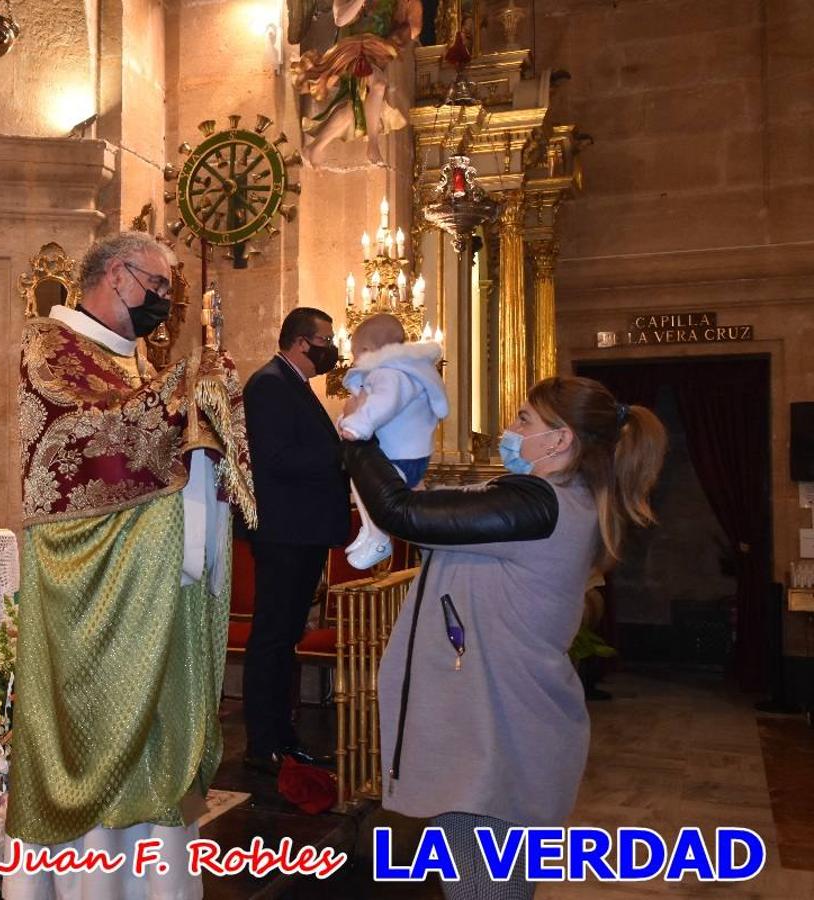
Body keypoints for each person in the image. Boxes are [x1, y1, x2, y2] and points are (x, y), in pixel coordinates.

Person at [343, 375, 666, 898]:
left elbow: (403, 513)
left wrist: (357, 437)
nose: (509, 429)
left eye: (524, 420)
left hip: (491, 735)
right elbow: (435, 506)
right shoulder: (558, 498)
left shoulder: (540, 504)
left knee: (484, 887)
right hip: (500, 726)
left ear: (560, 439)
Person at [8, 232, 255, 899]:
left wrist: (209, 406)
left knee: (157, 729)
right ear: (117, 276)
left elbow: (176, 446)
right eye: (158, 288)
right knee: (96, 728)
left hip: (156, 584)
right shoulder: (51, 345)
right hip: (94, 585)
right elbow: (83, 441)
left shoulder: (139, 365)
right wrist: (185, 400)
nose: (164, 304)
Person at [240, 307, 351, 773]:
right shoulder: (269, 384)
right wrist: (341, 455)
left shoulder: (294, 384)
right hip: (284, 532)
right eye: (326, 340)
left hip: (302, 531)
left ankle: (282, 738)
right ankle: (262, 742)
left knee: (285, 637)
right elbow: (276, 459)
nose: (332, 349)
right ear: (303, 342)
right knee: (272, 637)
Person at [337, 313, 447, 569]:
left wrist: (355, 425)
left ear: (365, 350)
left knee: (369, 487)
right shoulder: (405, 371)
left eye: (354, 355)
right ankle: (370, 532)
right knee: (359, 481)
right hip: (406, 456)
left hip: (398, 456)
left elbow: (383, 404)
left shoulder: (390, 373)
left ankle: (378, 537)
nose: (353, 361)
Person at [290, 0, 424, 167]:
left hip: (374, 52)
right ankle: (373, 145)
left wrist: (400, 34)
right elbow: (340, 19)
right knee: (378, 84)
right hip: (352, 50)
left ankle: (314, 148)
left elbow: (413, 26)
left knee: (355, 108)